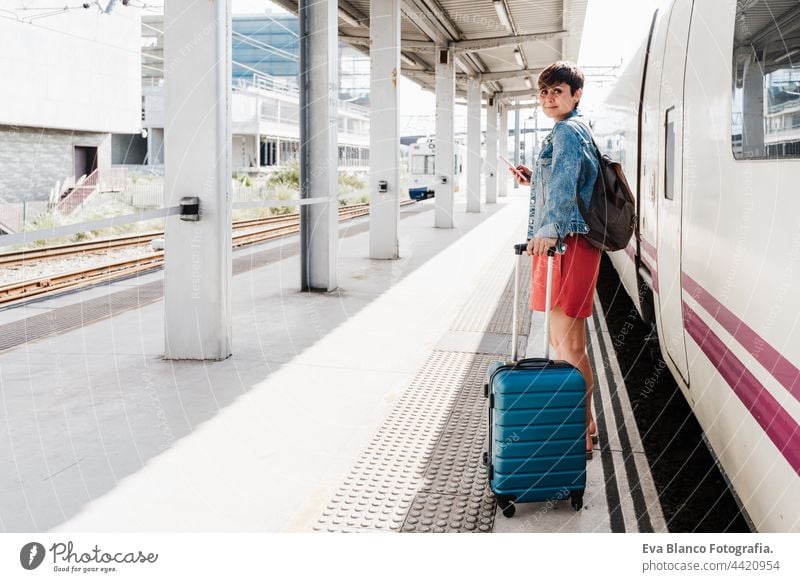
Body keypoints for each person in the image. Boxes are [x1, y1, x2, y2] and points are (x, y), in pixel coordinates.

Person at [510, 61, 601, 459]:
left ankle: (580, 433)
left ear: (576, 94)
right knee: (564, 341)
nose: (548, 98)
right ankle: (587, 425)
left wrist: (547, 232)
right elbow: (567, 179)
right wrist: (535, 179)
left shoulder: (566, 131)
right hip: (570, 242)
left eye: (557, 91)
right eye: (544, 92)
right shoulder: (576, 129)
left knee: (568, 344)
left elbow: (565, 185)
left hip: (566, 244)